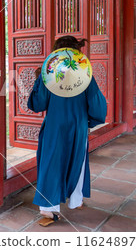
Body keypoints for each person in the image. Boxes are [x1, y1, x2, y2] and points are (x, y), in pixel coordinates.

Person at [27, 35, 107, 227]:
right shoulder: (86, 74)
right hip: (78, 125)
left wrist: (39, 81)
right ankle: (75, 200)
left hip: (55, 125)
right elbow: (97, 105)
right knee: (77, 162)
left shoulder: (49, 74)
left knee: (51, 163)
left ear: (57, 52)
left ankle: (49, 209)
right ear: (76, 53)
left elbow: (38, 104)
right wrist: (89, 121)